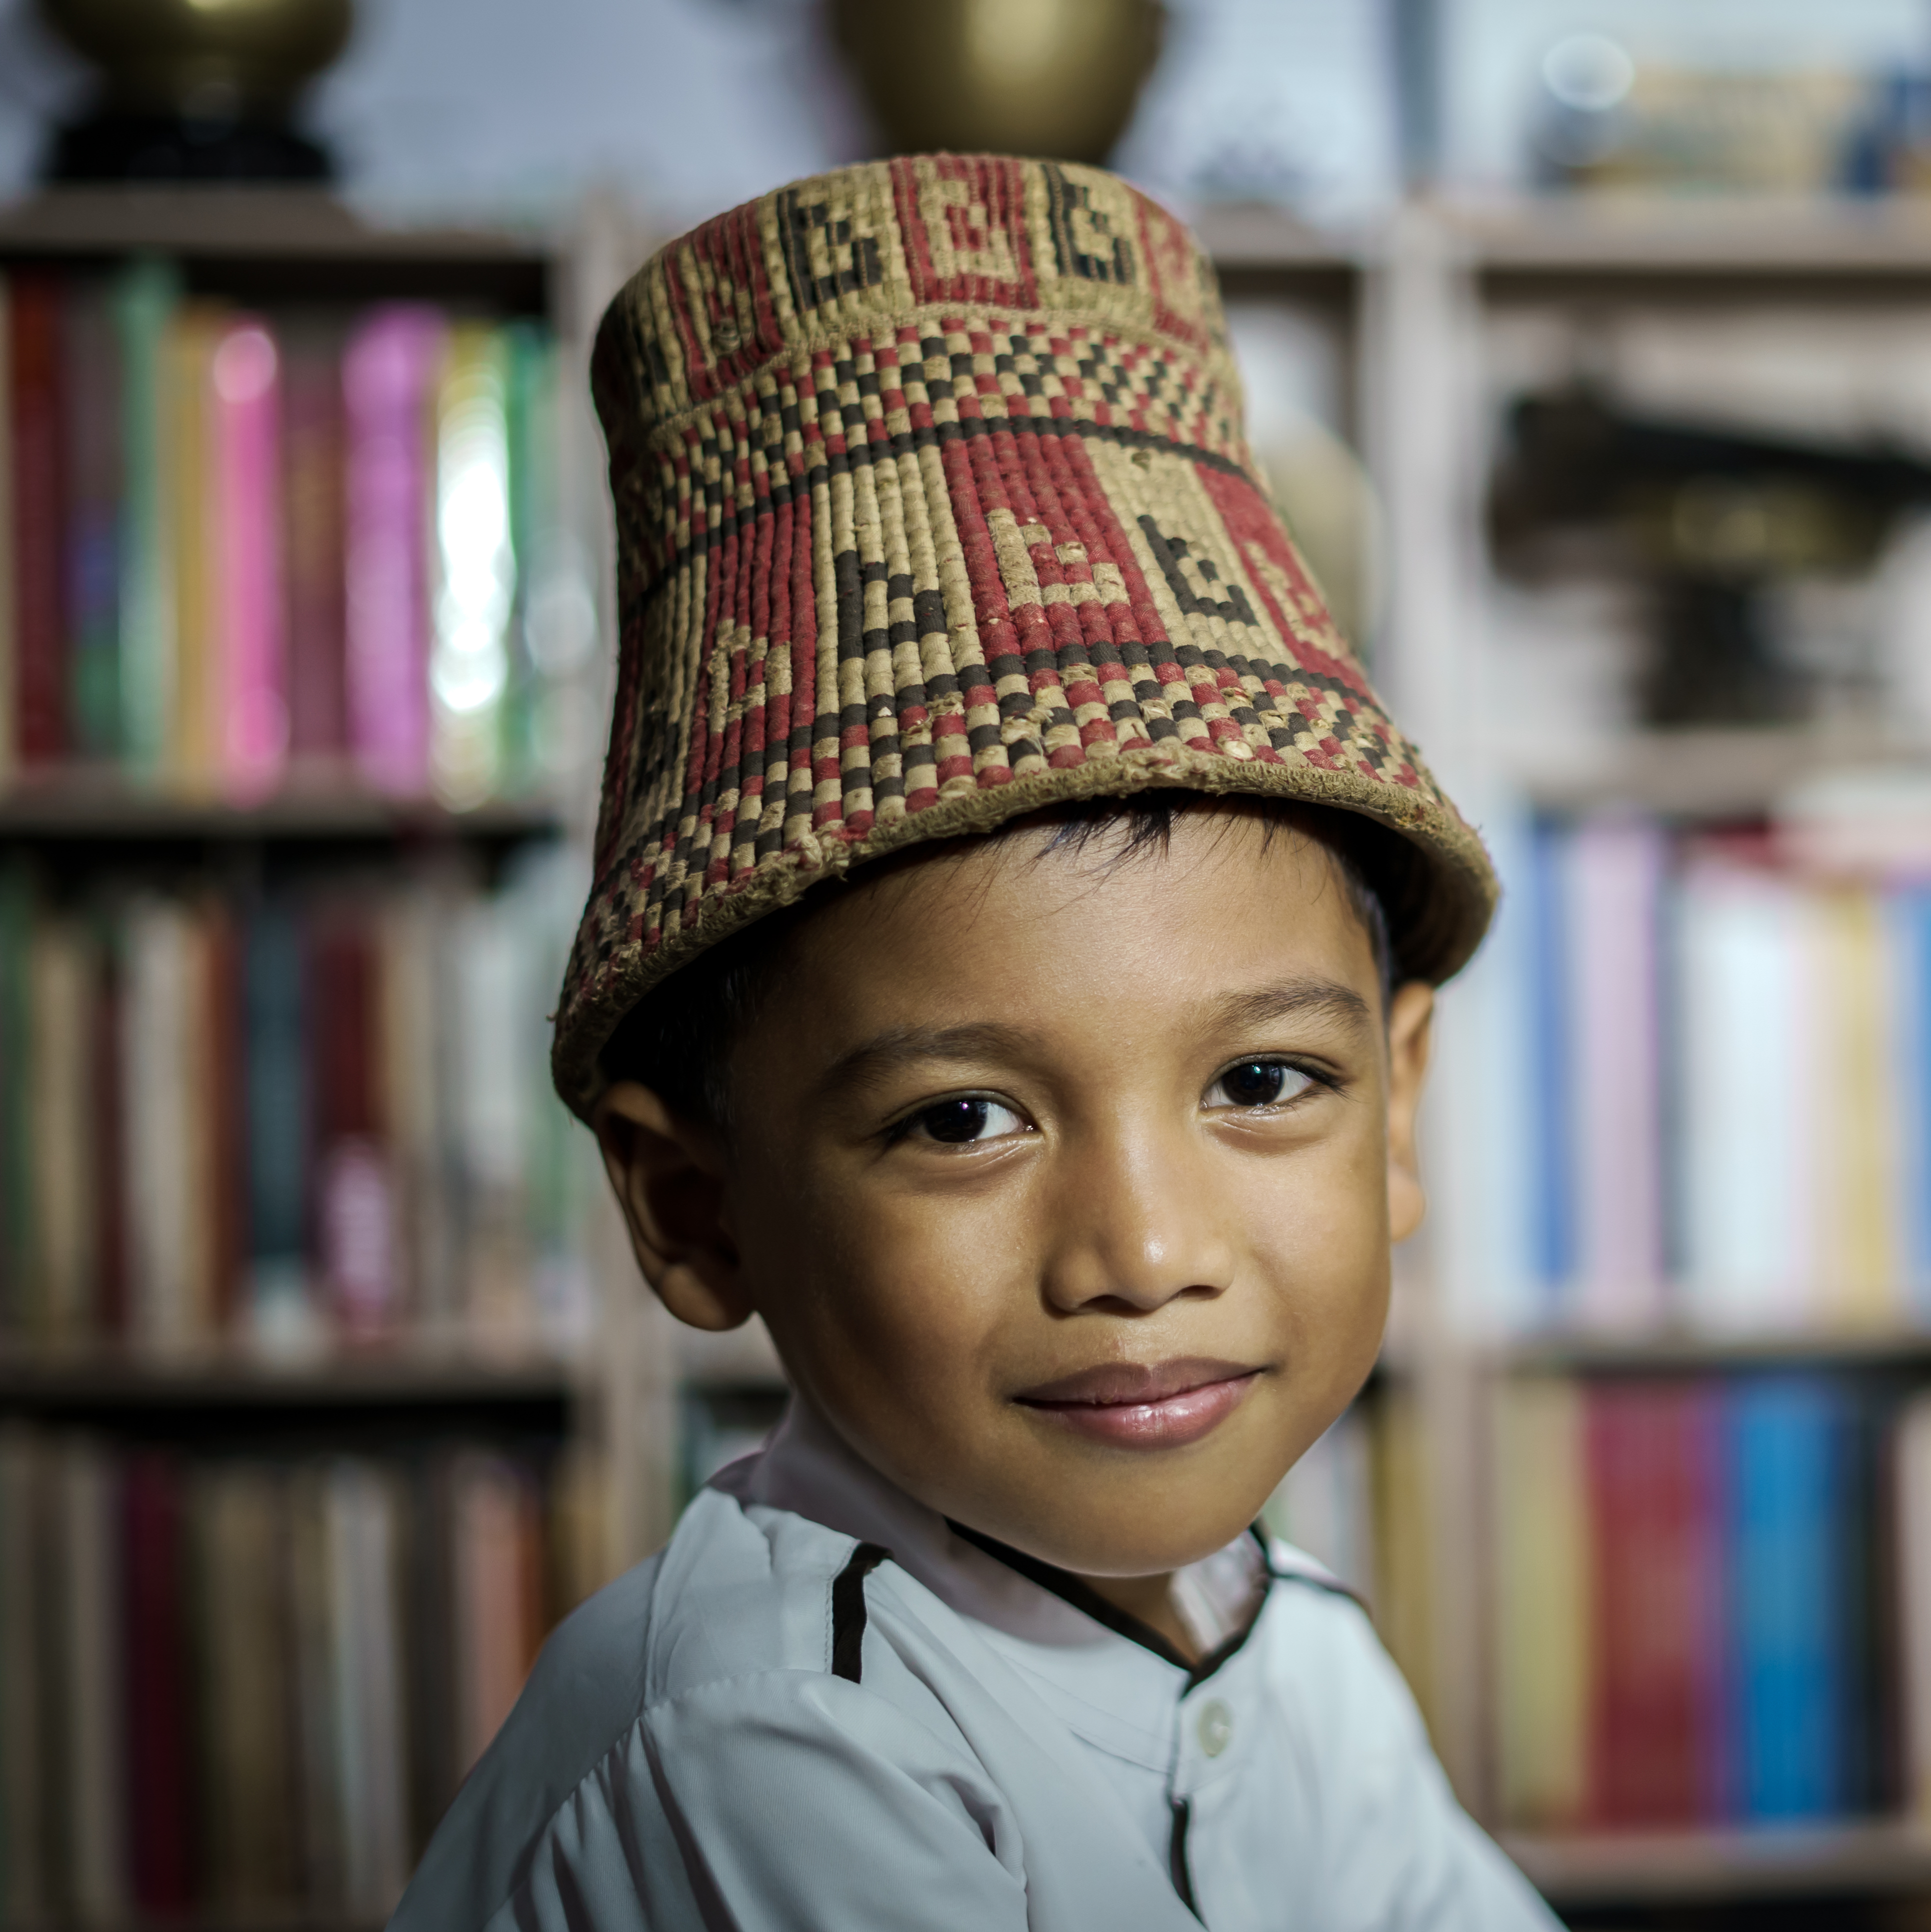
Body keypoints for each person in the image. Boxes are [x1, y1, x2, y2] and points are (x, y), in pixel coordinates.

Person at [390, 154, 1553, 1932]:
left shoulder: (1281, 1636)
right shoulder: (777, 1728)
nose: (1146, 1251)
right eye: (962, 1120)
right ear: (696, 1208)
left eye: (1260, 1081)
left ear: (1398, 1111)